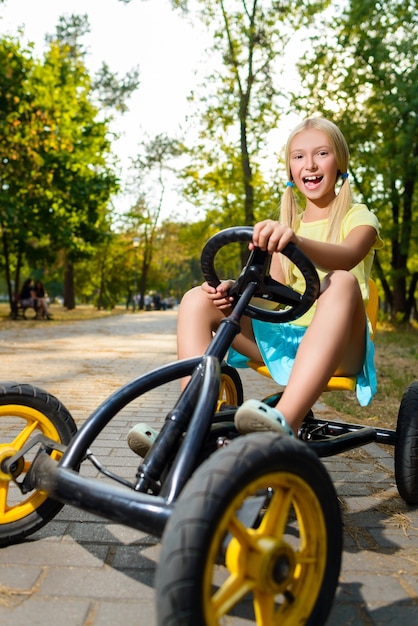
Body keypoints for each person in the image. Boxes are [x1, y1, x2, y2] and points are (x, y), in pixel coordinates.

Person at [127, 117, 384, 455]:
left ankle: (284, 422)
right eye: (298, 157)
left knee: (342, 281)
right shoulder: (285, 226)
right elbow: (273, 293)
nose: (309, 164)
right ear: (290, 169)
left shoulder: (358, 217)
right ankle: (191, 424)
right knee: (196, 299)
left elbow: (346, 257)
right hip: (290, 339)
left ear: (340, 162)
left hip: (343, 347)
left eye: (321, 154)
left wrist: (296, 241)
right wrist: (237, 290)